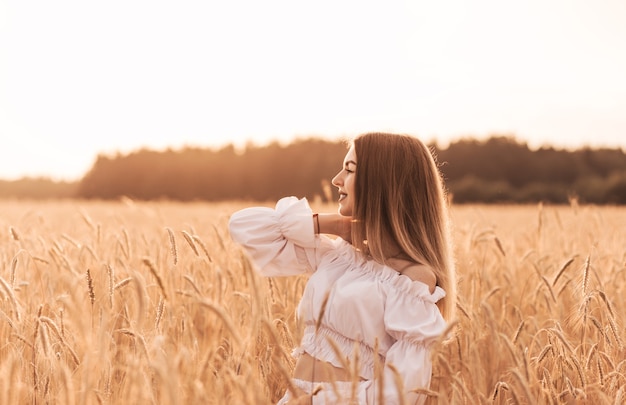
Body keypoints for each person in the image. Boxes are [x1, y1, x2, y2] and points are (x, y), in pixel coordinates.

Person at [228, 132, 457, 404]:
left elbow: (403, 391)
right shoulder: (339, 255)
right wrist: (331, 224)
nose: (337, 179)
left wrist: (317, 401)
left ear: (381, 182)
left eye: (349, 170)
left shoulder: (410, 279)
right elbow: (243, 229)